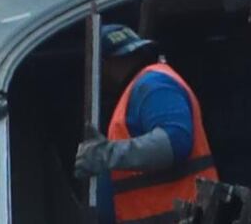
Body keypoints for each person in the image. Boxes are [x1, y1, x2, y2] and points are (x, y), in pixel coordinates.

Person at [75, 23, 212, 224]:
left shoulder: (153, 85)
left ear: (105, 64)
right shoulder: (139, 89)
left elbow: (175, 142)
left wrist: (107, 154)